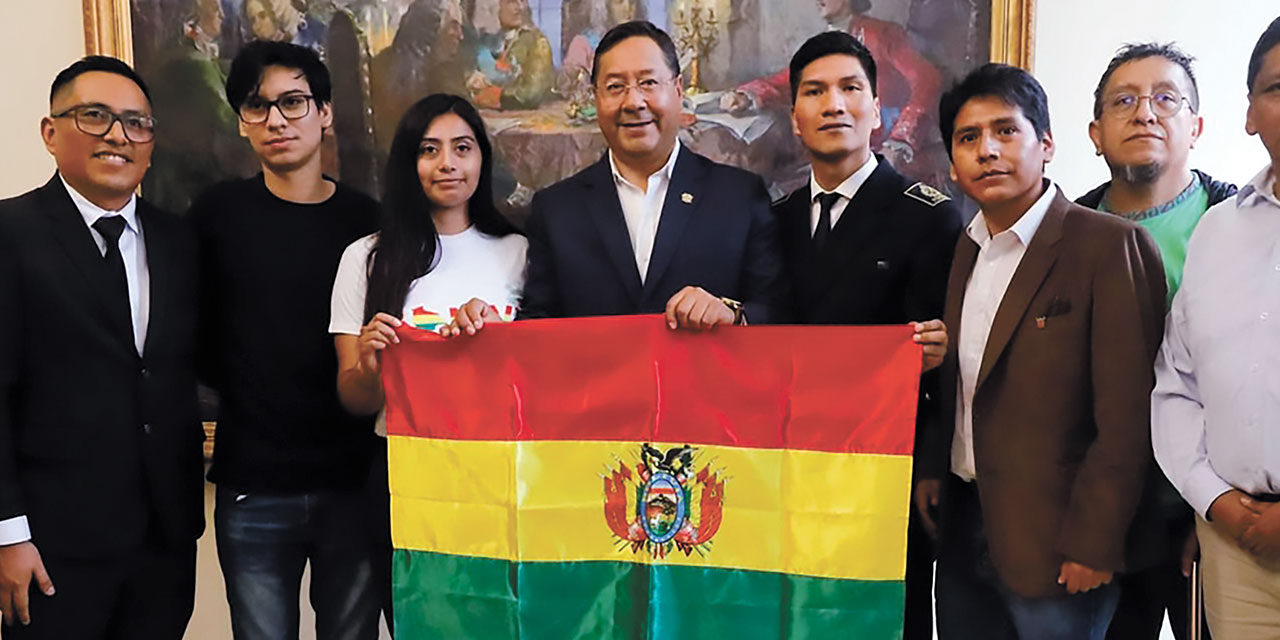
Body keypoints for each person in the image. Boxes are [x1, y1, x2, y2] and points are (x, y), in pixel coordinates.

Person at [915, 63, 1166, 640]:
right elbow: (966, 382)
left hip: (1060, 544)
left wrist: (1095, 542)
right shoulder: (966, 247)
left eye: (1006, 131)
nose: (987, 151)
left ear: (1046, 144)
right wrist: (936, 465)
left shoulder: (1109, 246)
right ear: (953, 163)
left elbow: (1129, 417)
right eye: (968, 138)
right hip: (964, 527)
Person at [0, 56, 204, 640]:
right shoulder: (11, 234)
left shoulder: (178, 240)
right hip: (52, 545)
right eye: (95, 116)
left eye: (137, 123)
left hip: (163, 542)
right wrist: (9, 535)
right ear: (50, 131)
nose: (119, 135)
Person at [772, 31, 961, 640]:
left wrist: (930, 466)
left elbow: (941, 365)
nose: (834, 105)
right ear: (796, 118)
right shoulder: (770, 222)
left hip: (887, 472)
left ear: (876, 110)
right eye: (815, 92)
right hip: (786, 468)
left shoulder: (927, 213)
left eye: (851, 89)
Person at [189, 40, 381, 640]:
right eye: (257, 106)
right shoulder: (216, 215)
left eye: (293, 102)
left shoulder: (367, 221)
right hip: (254, 482)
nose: (276, 120)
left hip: (351, 482)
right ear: (243, 123)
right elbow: (192, 334)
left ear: (324, 113)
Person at [329, 93, 526, 633]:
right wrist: (372, 364)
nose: (447, 164)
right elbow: (354, 398)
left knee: (502, 620)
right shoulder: (366, 258)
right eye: (429, 150)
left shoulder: (520, 251)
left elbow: (542, 379)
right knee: (420, 620)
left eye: (462, 148)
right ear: (408, 164)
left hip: (499, 474)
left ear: (482, 159)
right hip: (404, 472)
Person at [1076, 42, 1236, 640]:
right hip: (1102, 521)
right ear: (1095, 132)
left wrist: (1217, 506)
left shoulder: (1242, 225)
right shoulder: (1064, 234)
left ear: (1195, 126)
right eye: (1124, 101)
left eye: (1165, 99)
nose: (1145, 112)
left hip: (1220, 513)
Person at [518, 20, 786, 327]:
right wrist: (490, 328)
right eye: (615, 87)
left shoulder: (738, 196)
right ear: (595, 97)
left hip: (704, 375)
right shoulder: (556, 209)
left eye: (648, 83)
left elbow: (777, 312)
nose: (633, 102)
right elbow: (536, 326)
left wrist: (732, 314)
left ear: (678, 89)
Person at [1151, 16, 1280, 640]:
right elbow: (1178, 384)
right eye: (1279, 87)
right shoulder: (1218, 229)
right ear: (1251, 112)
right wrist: (1213, 500)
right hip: (1233, 544)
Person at [722, 0, 941, 166]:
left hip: (880, 148)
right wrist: (747, 95)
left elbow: (927, 79)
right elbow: (789, 80)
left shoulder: (883, 34)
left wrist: (899, 141)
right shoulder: (821, 45)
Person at [468, 0, 553, 110]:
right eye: (511, 2)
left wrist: (498, 96)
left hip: (524, 120)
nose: (519, 7)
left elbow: (533, 94)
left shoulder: (537, 42)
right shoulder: (486, 42)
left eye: (522, 1)